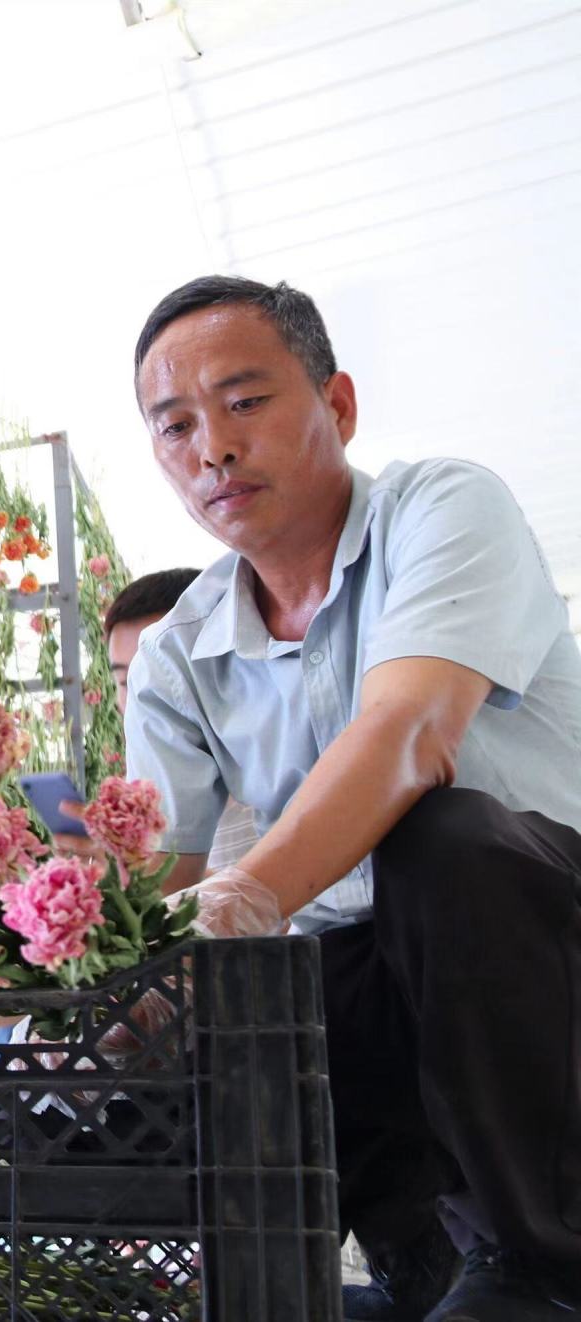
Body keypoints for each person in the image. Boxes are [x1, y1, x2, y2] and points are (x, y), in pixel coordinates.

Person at [121, 275, 581, 1322]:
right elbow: (149, 881)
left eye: (245, 401)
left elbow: (409, 732)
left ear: (336, 405)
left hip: (542, 934)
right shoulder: (177, 653)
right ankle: (387, 1261)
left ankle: (545, 1261)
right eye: (175, 426)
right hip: (381, 990)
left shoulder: (443, 508)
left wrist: (242, 895)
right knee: (278, 982)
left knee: (435, 838)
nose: (212, 449)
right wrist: (66, 971)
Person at [51, 567, 260, 868]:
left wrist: (144, 875)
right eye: (125, 682)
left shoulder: (275, 783)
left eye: (157, 676)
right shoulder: (141, 803)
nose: (142, 699)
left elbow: (277, 893)